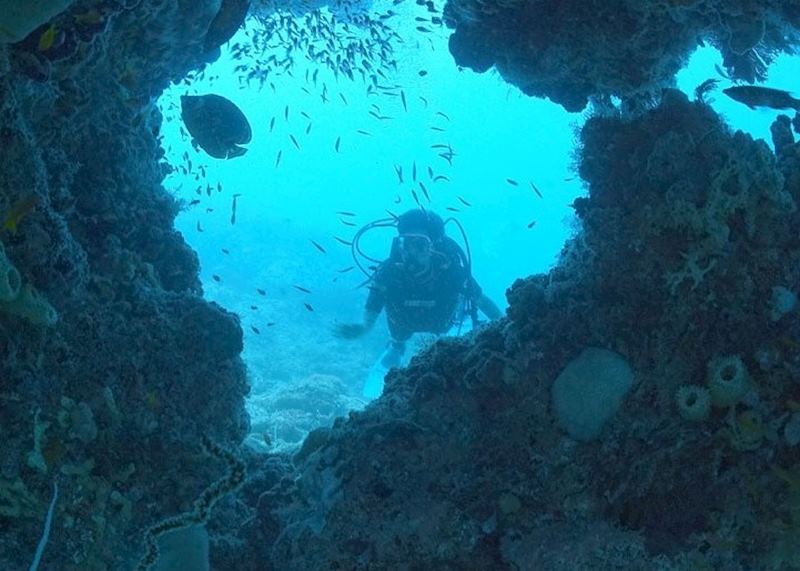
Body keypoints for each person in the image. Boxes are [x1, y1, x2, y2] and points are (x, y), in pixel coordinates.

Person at [334, 209, 502, 396]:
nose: (412, 253)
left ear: (432, 249)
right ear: (399, 246)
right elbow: (374, 302)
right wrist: (364, 327)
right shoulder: (388, 272)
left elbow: (480, 300)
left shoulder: (452, 271)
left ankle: (455, 322)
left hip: (443, 322)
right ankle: (396, 347)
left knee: (453, 325)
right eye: (406, 244)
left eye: (420, 245)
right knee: (399, 337)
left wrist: (504, 323)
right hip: (402, 325)